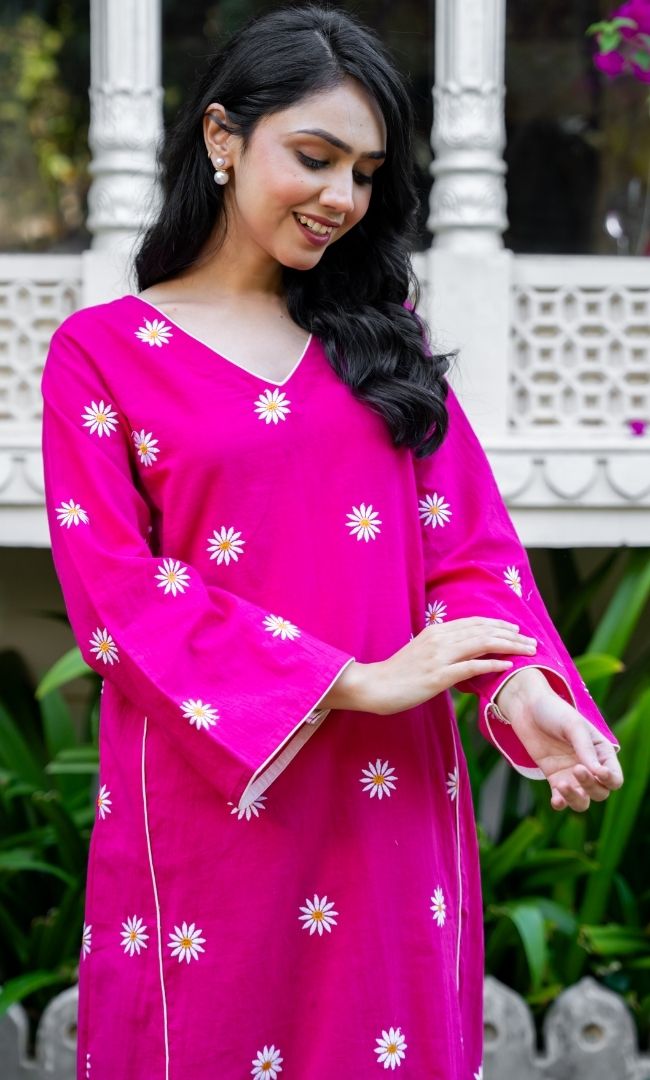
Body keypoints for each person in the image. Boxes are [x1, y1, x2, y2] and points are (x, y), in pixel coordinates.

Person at [41, 6, 623, 1078]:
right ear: (221, 137)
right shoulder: (104, 355)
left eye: (364, 173)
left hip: (390, 806)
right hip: (214, 806)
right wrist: (349, 683)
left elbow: (468, 554)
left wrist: (522, 689)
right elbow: (117, 596)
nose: (340, 198)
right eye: (313, 158)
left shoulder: (380, 345)